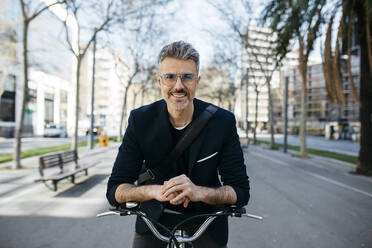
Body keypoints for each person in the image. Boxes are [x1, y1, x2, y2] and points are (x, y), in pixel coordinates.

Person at [106, 41, 250, 248]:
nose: (179, 86)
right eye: (170, 77)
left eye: (187, 77)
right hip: (154, 220)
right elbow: (115, 189)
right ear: (159, 81)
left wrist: (199, 192)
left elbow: (241, 191)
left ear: (197, 81)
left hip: (206, 219)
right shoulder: (140, 120)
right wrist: (155, 191)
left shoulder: (223, 122)